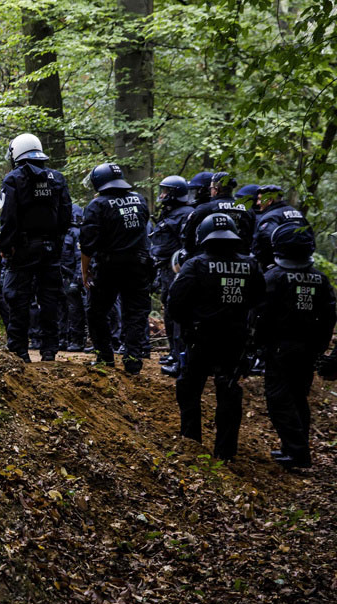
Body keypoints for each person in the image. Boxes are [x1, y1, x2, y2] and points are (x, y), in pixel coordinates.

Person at [168, 214, 265, 461]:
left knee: (189, 390)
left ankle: (191, 446)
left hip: (200, 340)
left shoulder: (195, 265)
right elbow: (259, 303)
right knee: (229, 393)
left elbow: (174, 304)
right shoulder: (251, 265)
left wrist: (189, 326)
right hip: (235, 342)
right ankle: (225, 453)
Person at [254, 222, 335, 469]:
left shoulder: (273, 277)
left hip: (280, 350)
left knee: (279, 400)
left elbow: (258, 315)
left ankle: (298, 453)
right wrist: (320, 348)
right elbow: (330, 316)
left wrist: (257, 347)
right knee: (298, 398)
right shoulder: (320, 280)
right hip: (308, 350)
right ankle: (293, 449)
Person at [0, 133, 72, 362]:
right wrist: (56, 242)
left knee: (18, 298)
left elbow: (8, 217)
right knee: (49, 298)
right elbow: (66, 215)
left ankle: (19, 350)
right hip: (50, 249)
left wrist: (5, 246)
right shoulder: (57, 178)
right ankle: (49, 350)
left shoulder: (13, 179)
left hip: (22, 249)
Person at [79, 163, 152, 374]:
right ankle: (133, 360)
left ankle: (105, 358)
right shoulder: (139, 200)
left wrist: (85, 271)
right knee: (135, 314)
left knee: (96, 312)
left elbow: (87, 244)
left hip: (109, 267)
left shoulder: (97, 205)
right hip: (139, 266)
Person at [150, 176, 193, 376]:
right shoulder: (170, 213)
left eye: (166, 191)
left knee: (178, 313)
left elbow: (187, 245)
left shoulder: (186, 214)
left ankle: (181, 357)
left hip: (177, 270)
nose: (162, 195)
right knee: (168, 311)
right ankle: (174, 354)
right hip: (165, 269)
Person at [182, 172, 255, 255]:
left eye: (211, 188)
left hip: (209, 260)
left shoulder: (204, 209)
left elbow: (189, 239)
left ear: (216, 189)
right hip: (241, 259)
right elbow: (254, 236)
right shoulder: (248, 209)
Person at [252, 185, 313, 272]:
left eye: (259, 199)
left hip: (275, 268)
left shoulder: (270, 217)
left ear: (269, 200)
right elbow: (311, 238)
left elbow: (264, 243)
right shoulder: (298, 214)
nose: (257, 203)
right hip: (302, 266)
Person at [59, 206, 86, 352]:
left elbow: (79, 257)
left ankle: (76, 340)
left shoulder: (76, 233)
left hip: (72, 277)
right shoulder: (62, 233)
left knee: (74, 310)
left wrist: (77, 279)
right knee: (61, 309)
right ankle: (62, 338)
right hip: (61, 276)